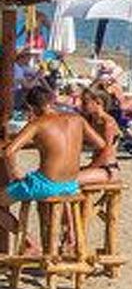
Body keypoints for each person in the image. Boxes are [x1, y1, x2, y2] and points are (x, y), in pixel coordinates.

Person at [2, 86, 108, 249]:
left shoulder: (37, 124)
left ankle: (28, 241)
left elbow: (9, 151)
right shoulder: (77, 119)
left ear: (31, 107)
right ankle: (69, 239)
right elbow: (102, 145)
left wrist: (15, 173)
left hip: (45, 184)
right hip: (71, 185)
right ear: (52, 101)